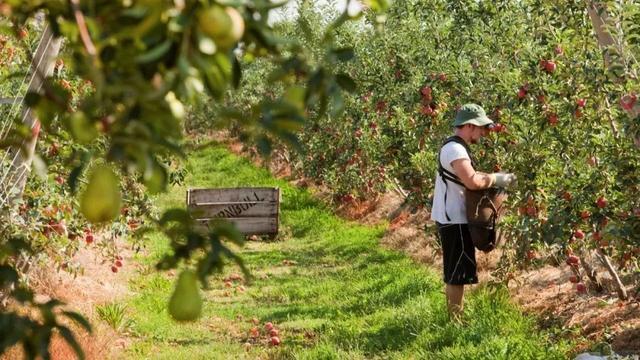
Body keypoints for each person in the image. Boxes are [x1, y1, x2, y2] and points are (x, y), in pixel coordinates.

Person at [430, 103, 516, 320]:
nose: (483, 133)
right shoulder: (455, 149)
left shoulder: (455, 147)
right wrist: (498, 178)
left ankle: (455, 318)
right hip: (454, 218)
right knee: (457, 273)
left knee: (457, 270)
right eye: (480, 128)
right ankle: (455, 321)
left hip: (452, 216)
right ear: (469, 125)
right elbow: (471, 181)